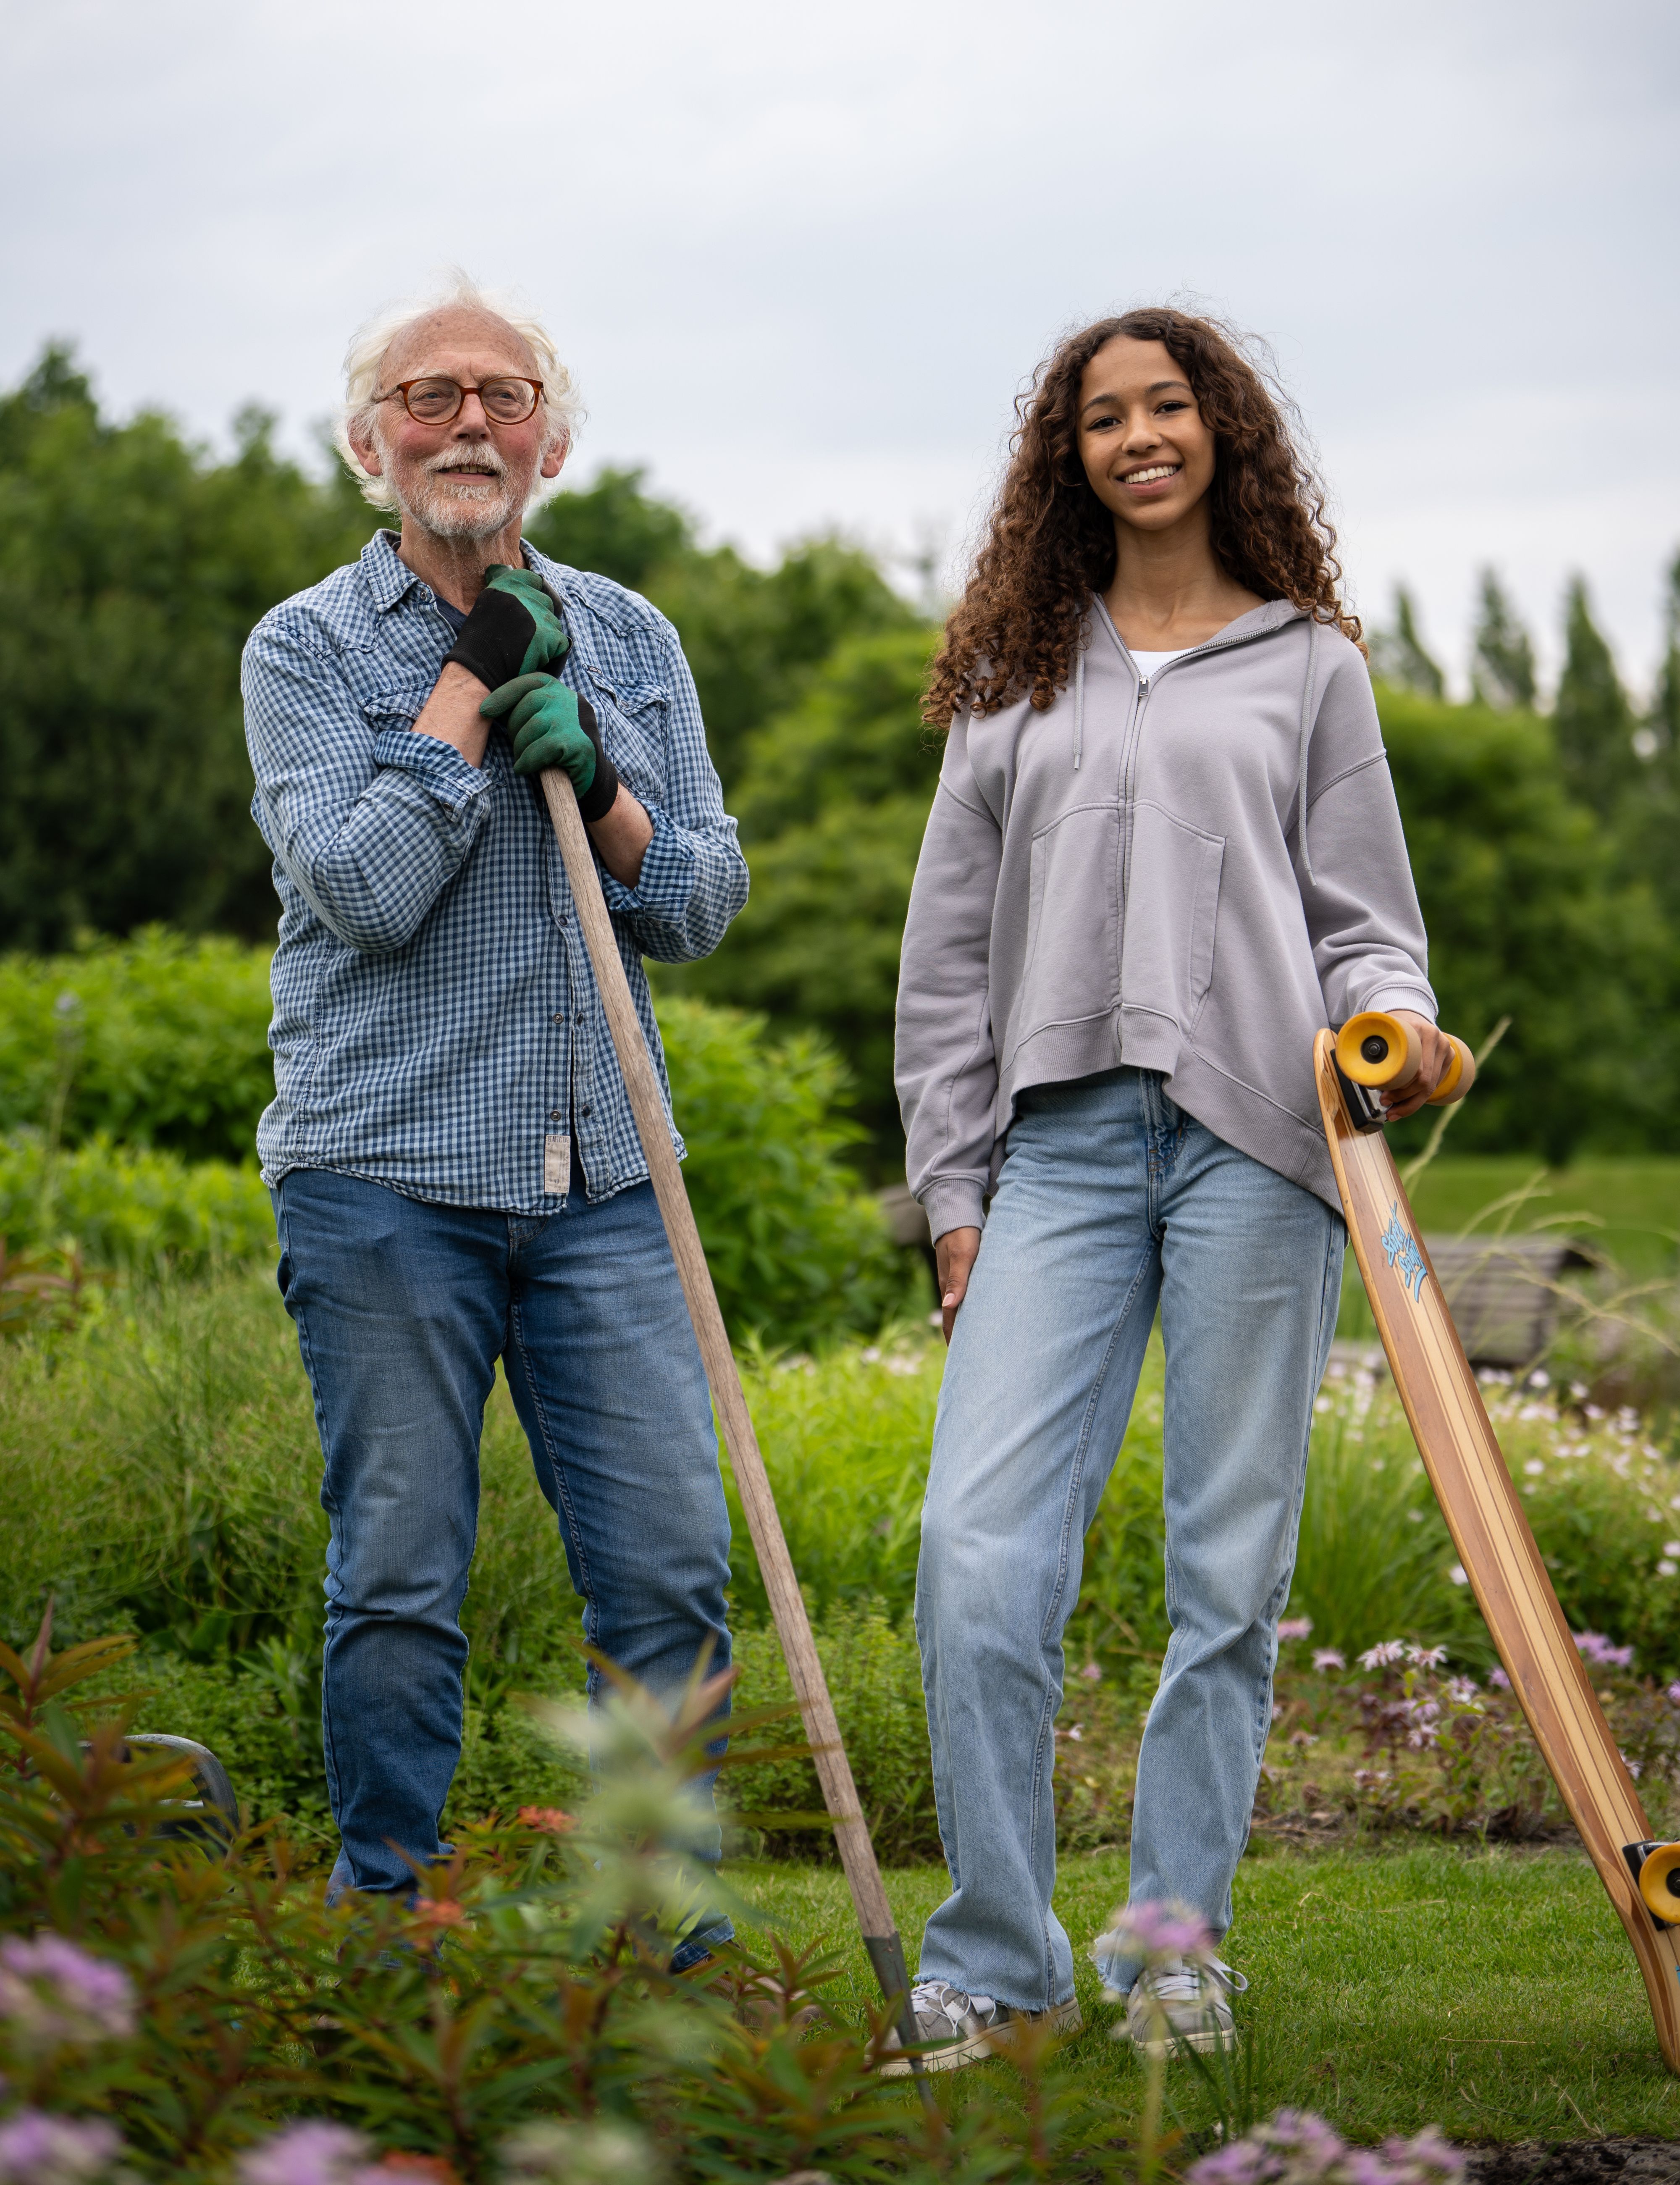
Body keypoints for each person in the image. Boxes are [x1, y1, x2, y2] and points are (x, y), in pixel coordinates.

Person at [891, 307, 1449, 2068]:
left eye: (1167, 404)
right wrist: (953, 1185)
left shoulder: (1308, 669)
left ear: (1223, 430)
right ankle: (996, 1955)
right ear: (1067, 456)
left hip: (1256, 1149)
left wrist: (1392, 1027)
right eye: (1100, 416)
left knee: (1226, 1572)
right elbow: (945, 963)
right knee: (974, 1557)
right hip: (1052, 1153)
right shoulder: (1013, 675)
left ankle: (1173, 1957)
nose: (1137, 435)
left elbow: (1371, 929)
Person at [241, 273, 748, 1958]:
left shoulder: (635, 637)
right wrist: (466, 695)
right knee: (399, 1575)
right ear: (369, 437)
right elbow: (368, 893)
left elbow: (697, 901)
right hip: (384, 1180)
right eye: (432, 392)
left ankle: (661, 1942)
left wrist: (594, 778)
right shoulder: (304, 648)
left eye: (505, 393)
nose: (471, 420)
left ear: (549, 434)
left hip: (606, 1178)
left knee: (671, 1572)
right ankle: (388, 1925)